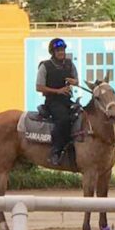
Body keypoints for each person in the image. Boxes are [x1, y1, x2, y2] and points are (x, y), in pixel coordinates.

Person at [36, 38, 80, 166]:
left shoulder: (70, 64)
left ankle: (73, 147)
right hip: (52, 101)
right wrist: (58, 91)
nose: (61, 52)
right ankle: (55, 151)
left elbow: (76, 81)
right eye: (58, 50)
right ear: (53, 52)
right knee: (64, 119)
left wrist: (74, 82)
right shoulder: (45, 66)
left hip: (67, 100)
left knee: (81, 115)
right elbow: (39, 87)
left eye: (62, 50)